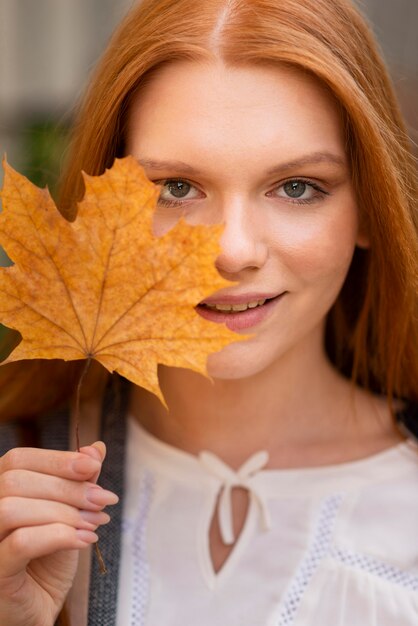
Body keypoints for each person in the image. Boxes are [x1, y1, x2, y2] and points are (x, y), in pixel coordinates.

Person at [0, 0, 417, 624]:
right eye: (176, 188)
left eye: (297, 187)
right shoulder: (17, 481)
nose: (231, 250)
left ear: (368, 210)